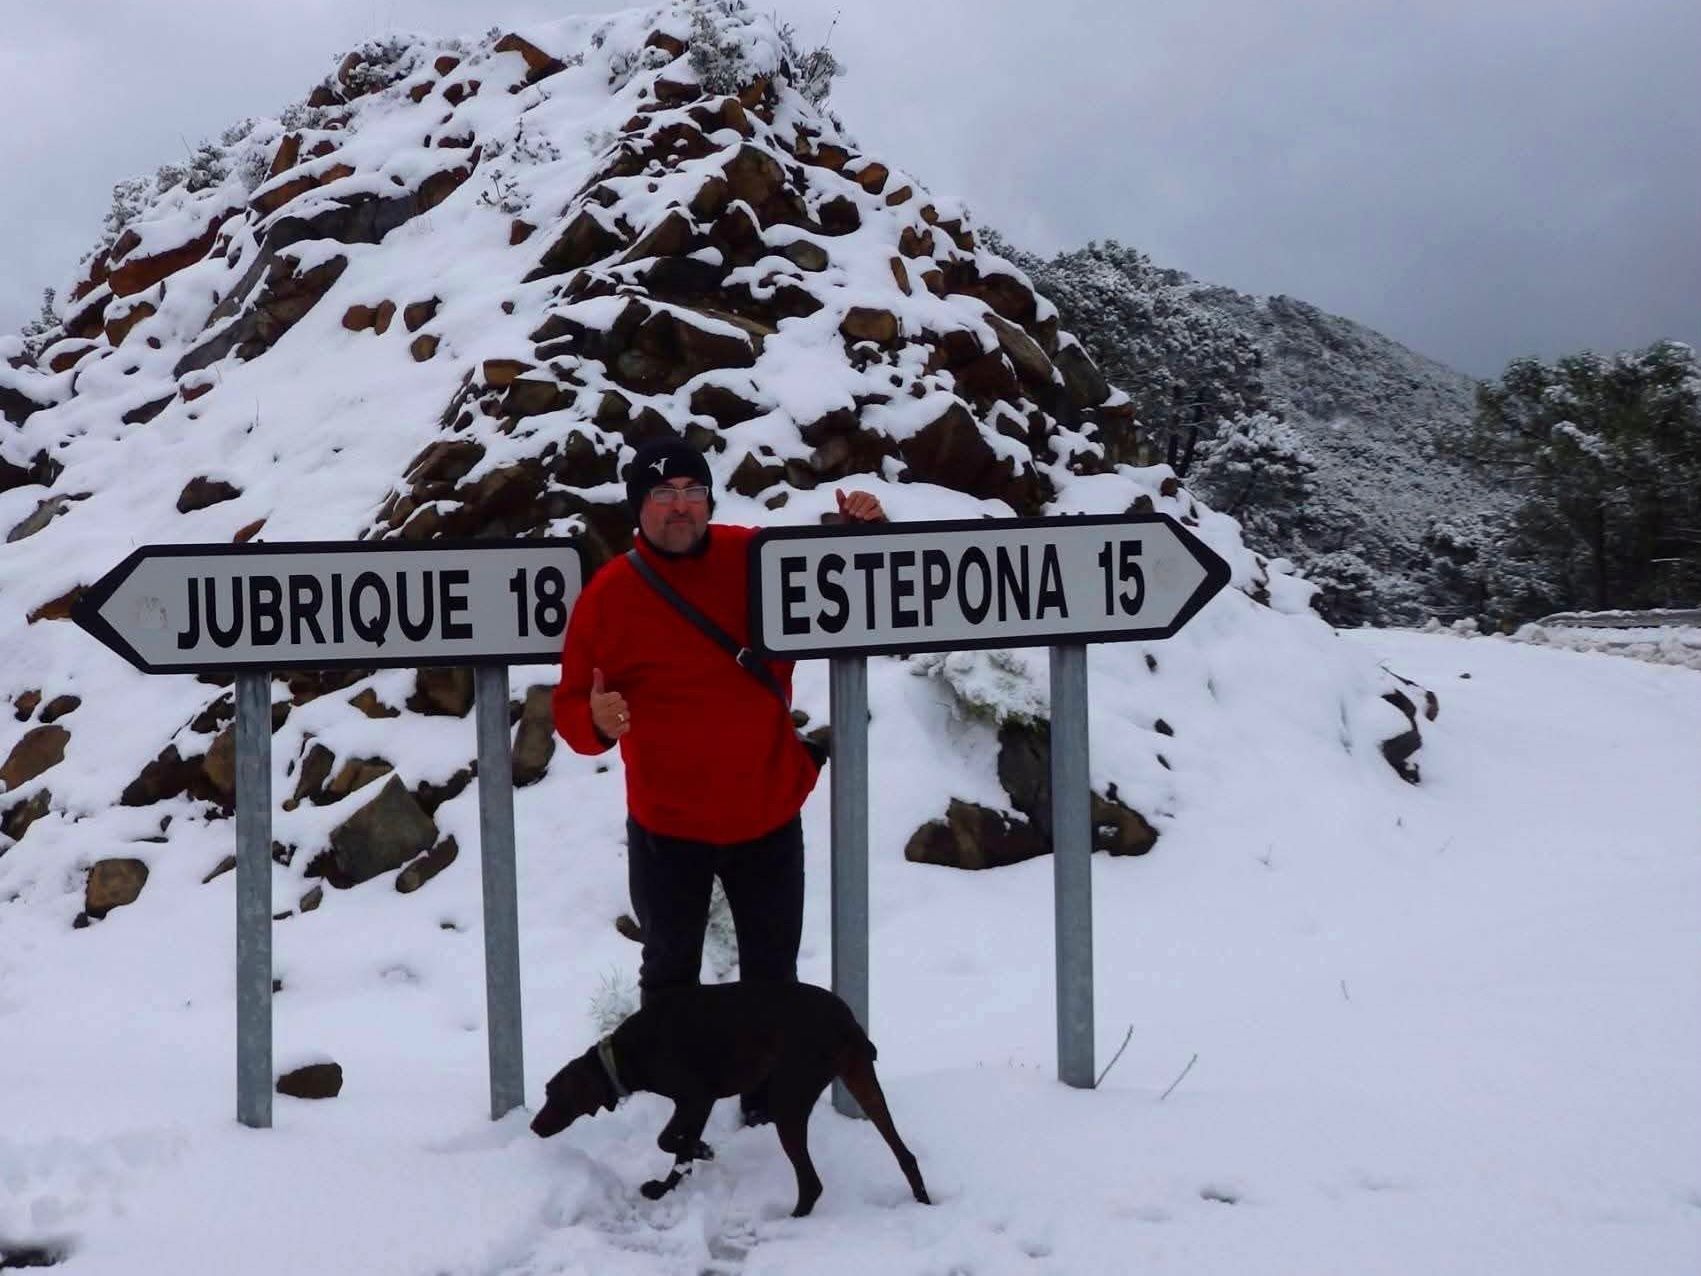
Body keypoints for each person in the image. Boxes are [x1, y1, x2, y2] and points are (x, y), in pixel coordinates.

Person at [552, 435, 886, 1123]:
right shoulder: (609, 597)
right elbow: (568, 711)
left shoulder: (754, 560)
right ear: (636, 509)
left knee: (772, 974)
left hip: (766, 810)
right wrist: (594, 719)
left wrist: (864, 527)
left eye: (691, 492)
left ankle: (767, 1105)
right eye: (662, 495)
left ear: (708, 501)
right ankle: (670, 1095)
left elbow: (843, 570)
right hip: (667, 825)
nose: (679, 508)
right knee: (669, 977)